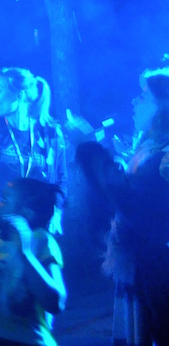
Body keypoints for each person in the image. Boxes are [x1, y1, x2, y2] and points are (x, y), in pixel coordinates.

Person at [76, 67, 169, 346]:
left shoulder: (165, 158)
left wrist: (102, 171)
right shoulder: (148, 147)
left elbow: (147, 211)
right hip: (141, 260)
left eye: (143, 96)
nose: (134, 101)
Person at [0, 178, 66, 346]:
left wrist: (25, 253)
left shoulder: (42, 241)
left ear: (27, 213)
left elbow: (56, 303)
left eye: (4, 200)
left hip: (25, 341)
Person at [0, 69, 66, 239]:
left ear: (19, 95)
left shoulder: (49, 135)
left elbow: (60, 180)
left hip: (38, 230)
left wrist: (57, 211)